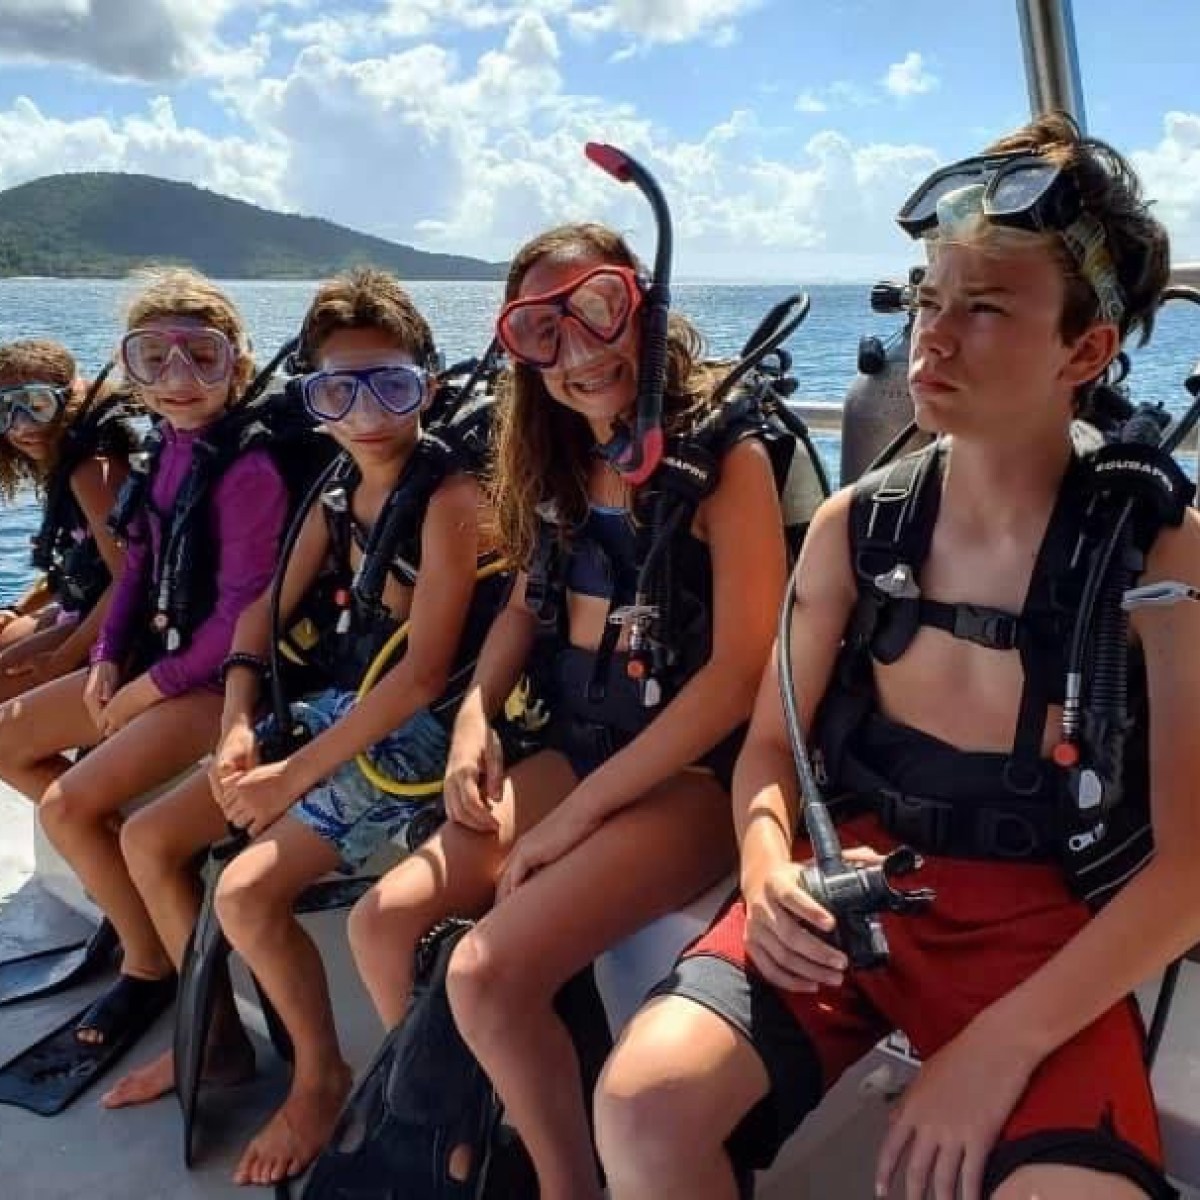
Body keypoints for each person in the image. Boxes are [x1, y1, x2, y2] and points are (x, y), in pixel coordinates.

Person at [594, 113, 1199, 1200]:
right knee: (642, 1106)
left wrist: (1000, 1048)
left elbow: (1191, 871)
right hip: (849, 896)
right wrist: (770, 869)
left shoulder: (1158, 550)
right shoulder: (855, 529)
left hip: (1048, 933)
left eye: (982, 307)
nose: (933, 338)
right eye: (928, 298)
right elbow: (772, 750)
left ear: (1086, 350)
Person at [345, 222, 788, 1200]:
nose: (578, 352)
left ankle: (564, 1185)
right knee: (381, 925)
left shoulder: (726, 459)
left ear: (643, 301)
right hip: (575, 747)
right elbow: (523, 609)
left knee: (483, 973)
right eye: (540, 331)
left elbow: (738, 675)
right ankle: (463, 1140)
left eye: (597, 310)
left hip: (688, 774)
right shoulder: (557, 458)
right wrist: (474, 724)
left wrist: (578, 821)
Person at [105, 267, 490, 1189]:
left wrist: (291, 777)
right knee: (149, 837)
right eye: (335, 390)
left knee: (242, 894)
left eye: (389, 385)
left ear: (426, 386)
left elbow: (427, 673)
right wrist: (238, 726)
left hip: (414, 735)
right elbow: (258, 619)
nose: (365, 413)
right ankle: (223, 1046)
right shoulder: (333, 487)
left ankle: (322, 1079)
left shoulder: (450, 500)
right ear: (310, 400)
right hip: (337, 713)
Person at [0, 269, 287, 1051]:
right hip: (155, 660)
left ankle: (150, 967)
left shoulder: (249, 468)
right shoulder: (170, 446)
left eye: (202, 356)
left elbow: (238, 619)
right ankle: (133, 918)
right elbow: (137, 562)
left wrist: (141, 687)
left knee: (67, 806)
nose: (178, 379)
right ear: (129, 369)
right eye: (153, 357)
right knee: (11, 746)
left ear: (240, 360)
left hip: (224, 677)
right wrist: (102, 656)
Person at [0, 339, 134, 700]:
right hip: (80, 604)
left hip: (121, 623)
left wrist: (62, 660)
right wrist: (15, 610)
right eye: (5, 410)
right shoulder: (65, 463)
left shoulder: (91, 472)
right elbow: (77, 560)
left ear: (70, 399)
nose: (21, 426)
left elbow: (130, 577)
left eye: (37, 405)